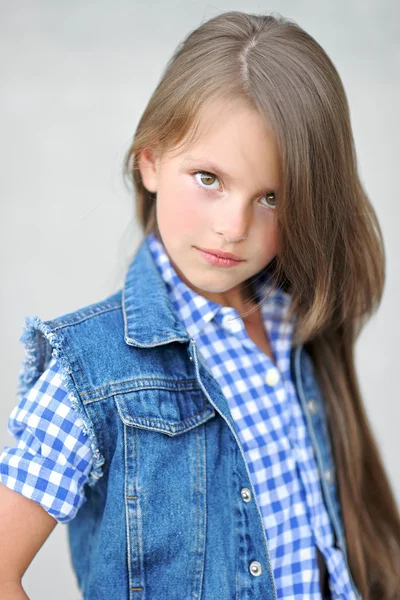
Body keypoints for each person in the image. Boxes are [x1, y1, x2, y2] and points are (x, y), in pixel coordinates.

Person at [0, 9, 399, 600]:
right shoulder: (89, 372)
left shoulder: (296, 323)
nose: (233, 227)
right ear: (151, 160)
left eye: (271, 197)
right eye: (209, 178)